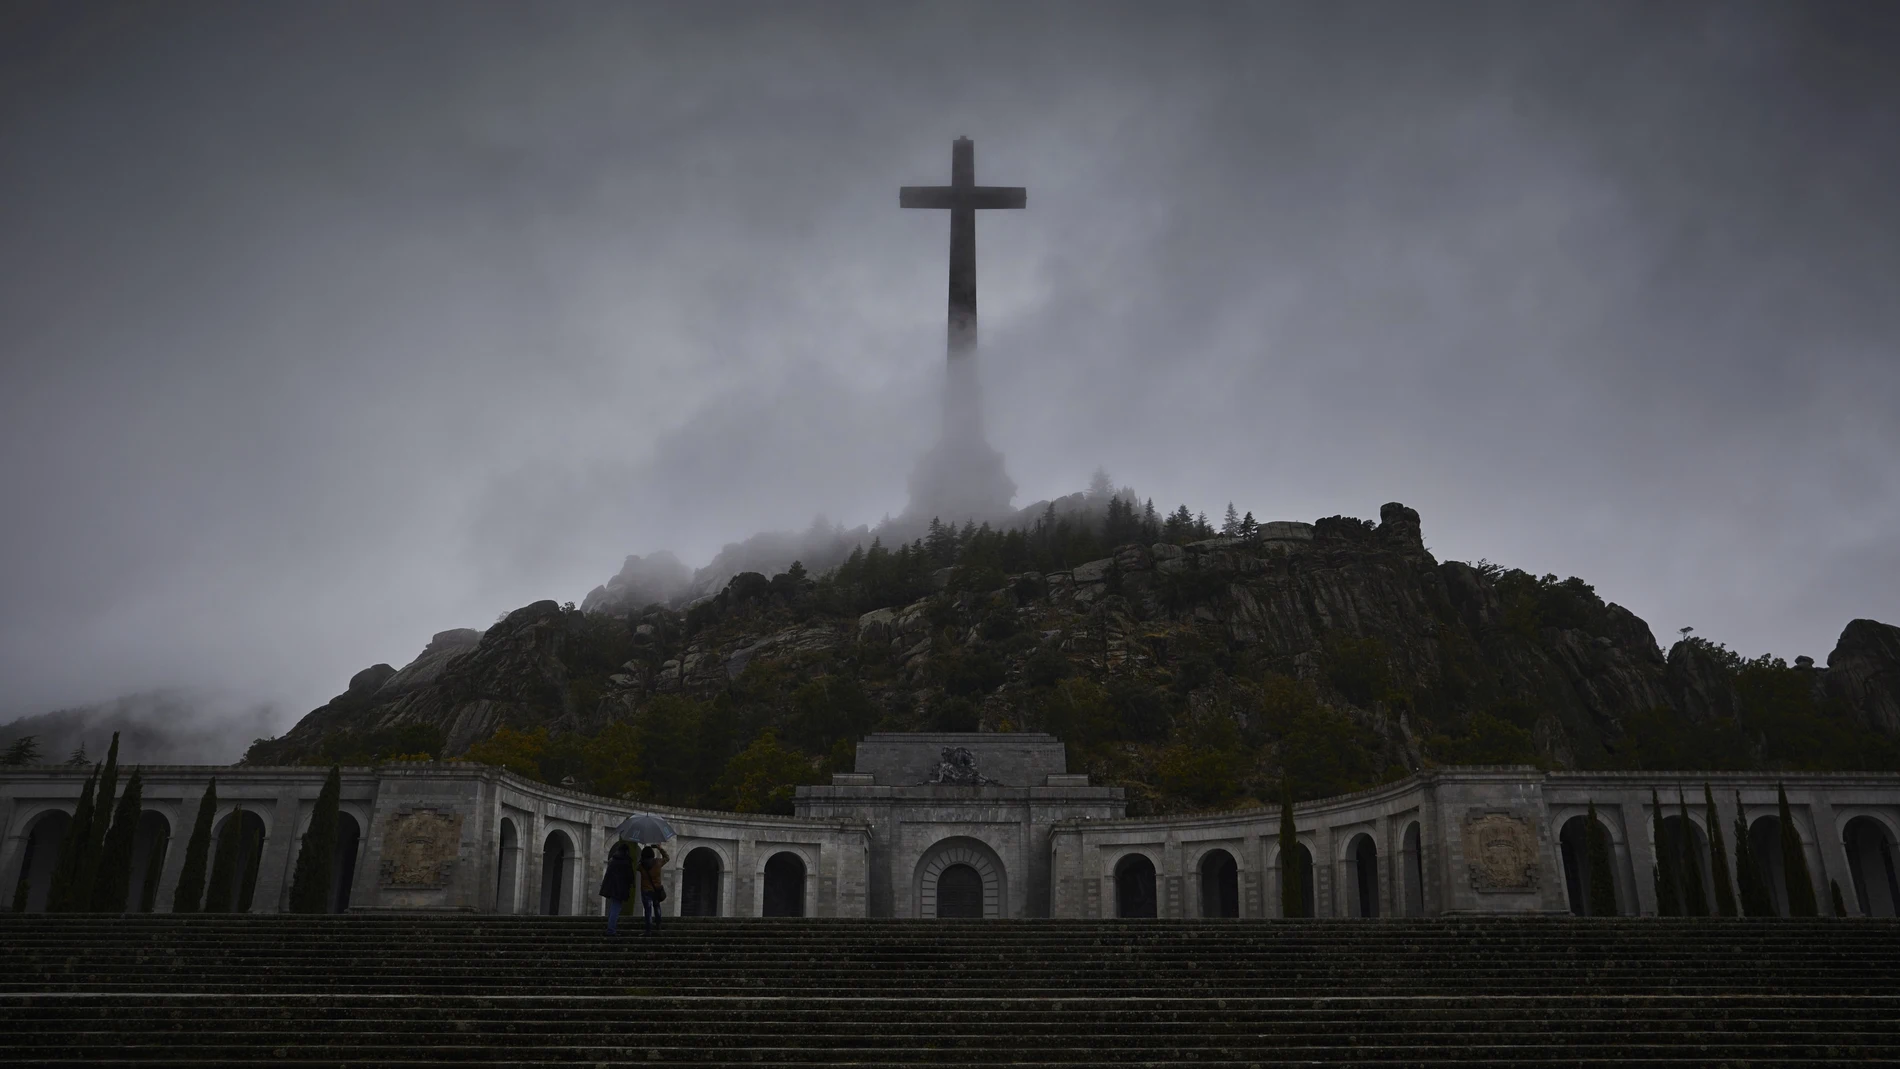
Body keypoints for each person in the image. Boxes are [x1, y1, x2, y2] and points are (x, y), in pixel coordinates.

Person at [599, 842, 634, 935]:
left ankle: (610, 928)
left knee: (613, 906)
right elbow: (630, 876)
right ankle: (611, 930)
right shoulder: (626, 861)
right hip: (620, 888)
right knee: (616, 907)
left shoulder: (613, 859)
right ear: (626, 851)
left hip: (611, 887)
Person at [638, 843, 669, 934]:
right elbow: (667, 857)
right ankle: (658, 926)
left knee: (648, 910)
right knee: (657, 907)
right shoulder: (658, 862)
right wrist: (660, 848)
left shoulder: (641, 865)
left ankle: (648, 930)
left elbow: (636, 867)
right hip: (656, 889)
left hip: (646, 890)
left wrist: (641, 859)